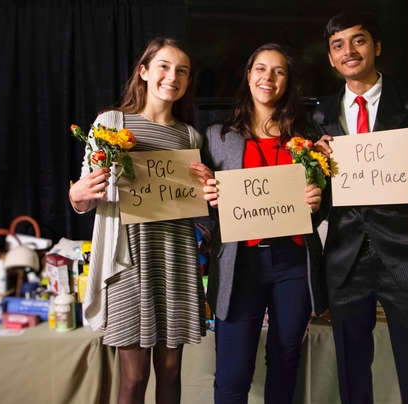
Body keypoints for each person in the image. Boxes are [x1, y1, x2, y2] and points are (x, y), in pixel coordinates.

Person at [312, 10, 408, 404]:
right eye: (338, 45)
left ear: (376, 46)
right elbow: (320, 194)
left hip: (406, 252)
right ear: (330, 58)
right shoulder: (320, 114)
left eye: (358, 40)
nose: (348, 51)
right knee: (352, 374)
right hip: (345, 255)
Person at [68, 37, 211, 404]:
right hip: (128, 263)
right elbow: (84, 198)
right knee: (133, 378)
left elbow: (198, 210)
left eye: (182, 71)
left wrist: (209, 190)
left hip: (177, 261)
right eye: (163, 66)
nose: (172, 76)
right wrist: (77, 194)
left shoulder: (190, 136)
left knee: (170, 371)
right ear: (144, 72)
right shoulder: (111, 123)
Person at [191, 43, 327, 404]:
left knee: (285, 363)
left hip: (293, 264)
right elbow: (201, 209)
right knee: (233, 373)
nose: (269, 77)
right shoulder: (218, 137)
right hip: (241, 265)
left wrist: (318, 202)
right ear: (249, 76)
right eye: (261, 69)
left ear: (288, 81)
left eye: (279, 71)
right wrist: (210, 199)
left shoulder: (308, 139)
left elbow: (325, 205)